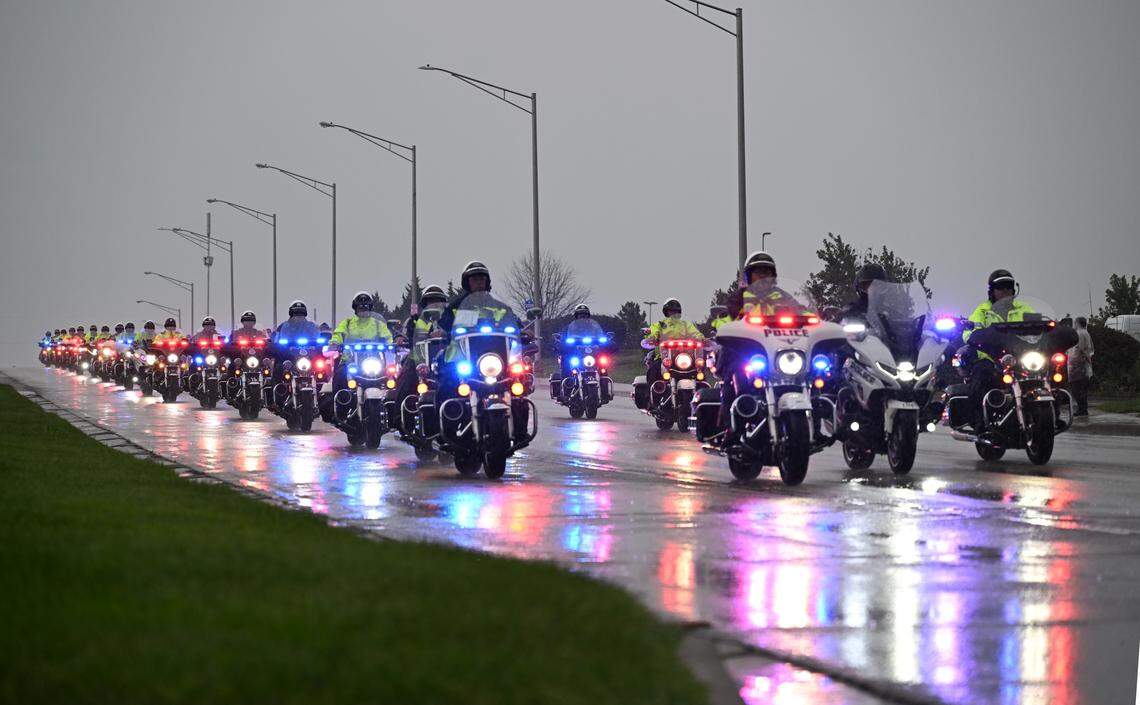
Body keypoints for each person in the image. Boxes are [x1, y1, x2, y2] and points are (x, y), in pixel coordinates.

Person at [392, 285, 448, 432]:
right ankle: (400, 417)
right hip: (419, 356)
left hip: (447, 357)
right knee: (405, 377)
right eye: (430, 301)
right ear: (425, 304)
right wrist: (399, 338)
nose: (434, 304)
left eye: (438, 300)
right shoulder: (416, 321)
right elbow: (404, 333)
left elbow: (460, 329)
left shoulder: (449, 318)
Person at [326, 292, 394, 412]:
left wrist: (392, 345)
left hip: (375, 360)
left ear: (370, 308)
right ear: (355, 309)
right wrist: (335, 343)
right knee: (340, 376)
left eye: (366, 307)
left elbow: (387, 336)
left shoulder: (378, 324)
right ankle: (341, 404)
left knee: (391, 378)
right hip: (351, 360)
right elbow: (338, 334)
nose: (363, 310)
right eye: (360, 307)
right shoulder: (347, 323)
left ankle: (392, 407)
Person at [642, 298, 704, 385]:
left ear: (679, 312)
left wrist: (701, 338)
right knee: (653, 369)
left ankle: (702, 391)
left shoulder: (686, 324)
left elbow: (695, 333)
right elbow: (653, 331)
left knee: (700, 368)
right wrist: (654, 337)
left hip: (685, 357)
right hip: (664, 357)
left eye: (676, 311)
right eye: (670, 311)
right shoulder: (660, 324)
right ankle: (651, 394)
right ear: (666, 312)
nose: (673, 313)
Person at [1068, 316, 1094, 417]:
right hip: (1080, 364)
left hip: (1078, 365)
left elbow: (1081, 349)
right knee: (1081, 387)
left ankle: (1082, 409)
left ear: (1078, 323)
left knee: (1076, 387)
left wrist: (1083, 360)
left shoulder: (1080, 333)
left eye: (1075, 322)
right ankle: (1083, 408)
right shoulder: (1085, 333)